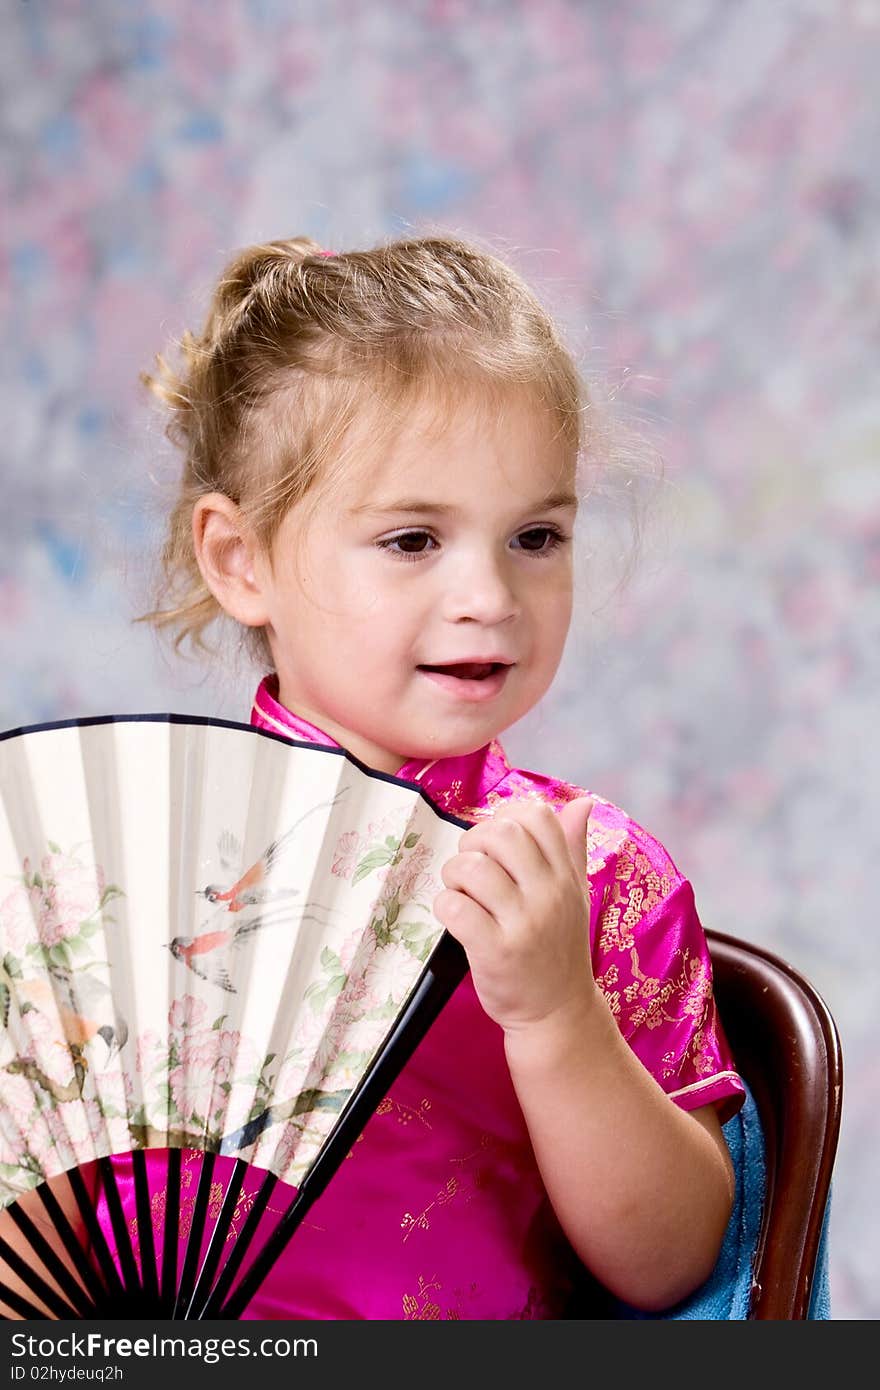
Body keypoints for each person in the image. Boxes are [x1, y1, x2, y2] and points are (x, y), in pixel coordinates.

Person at [131, 232, 745, 1321]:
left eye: (535, 537)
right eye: (414, 539)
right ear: (241, 561)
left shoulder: (599, 878)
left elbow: (675, 1265)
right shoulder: (121, 857)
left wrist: (557, 1015)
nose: (489, 595)